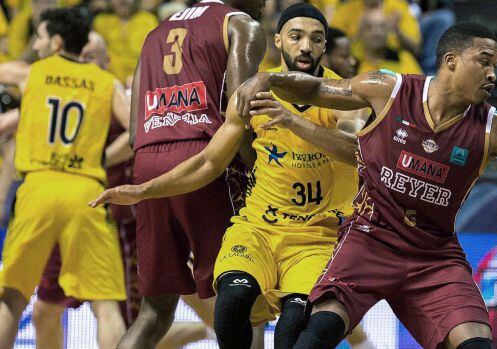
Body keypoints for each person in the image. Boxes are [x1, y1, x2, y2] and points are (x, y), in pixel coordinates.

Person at [235, 22, 497, 349]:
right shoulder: (388, 89)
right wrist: (267, 78)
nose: (493, 74)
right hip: (369, 237)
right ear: (451, 61)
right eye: (484, 61)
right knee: (318, 332)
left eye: (495, 66)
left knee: (476, 343)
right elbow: (316, 90)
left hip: (434, 254)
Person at [90, 4, 373, 348]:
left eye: (316, 39)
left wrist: (291, 122)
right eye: (296, 37)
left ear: (324, 46)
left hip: (314, 234)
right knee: (232, 304)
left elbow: (355, 150)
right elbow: (211, 159)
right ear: (278, 40)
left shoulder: (347, 96)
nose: (305, 47)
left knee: (287, 334)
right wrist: (143, 190)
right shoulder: (251, 79)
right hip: (259, 226)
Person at [117, 0, 266, 347]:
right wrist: (259, 174)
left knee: (153, 311)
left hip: (149, 163)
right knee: (243, 295)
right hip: (207, 159)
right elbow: (240, 113)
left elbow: (135, 135)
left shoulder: (154, 33)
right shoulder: (242, 24)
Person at [0, 8, 130, 348]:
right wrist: (103, 157)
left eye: (39, 38)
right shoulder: (105, 82)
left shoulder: (33, 73)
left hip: (39, 186)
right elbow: (136, 130)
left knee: (12, 298)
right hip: (85, 190)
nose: (37, 44)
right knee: (106, 307)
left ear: (56, 42)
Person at [92, 0, 159, 84]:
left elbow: (154, 57)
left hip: (143, 81)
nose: (123, 1)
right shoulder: (100, 22)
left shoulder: (149, 20)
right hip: (109, 81)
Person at [356, 8, 422, 74]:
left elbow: (419, 83)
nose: (376, 33)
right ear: (360, 33)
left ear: (388, 31)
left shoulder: (402, 59)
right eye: (369, 27)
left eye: (382, 27)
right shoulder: (353, 60)